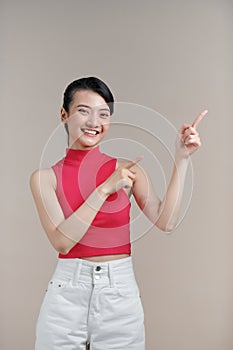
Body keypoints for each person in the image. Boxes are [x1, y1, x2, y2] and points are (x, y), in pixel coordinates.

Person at [29, 76, 207, 350]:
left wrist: (181, 158)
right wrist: (103, 190)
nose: (93, 122)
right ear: (64, 114)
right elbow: (62, 241)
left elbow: (166, 221)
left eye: (103, 114)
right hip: (67, 292)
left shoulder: (127, 170)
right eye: (83, 111)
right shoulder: (44, 178)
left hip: (119, 289)